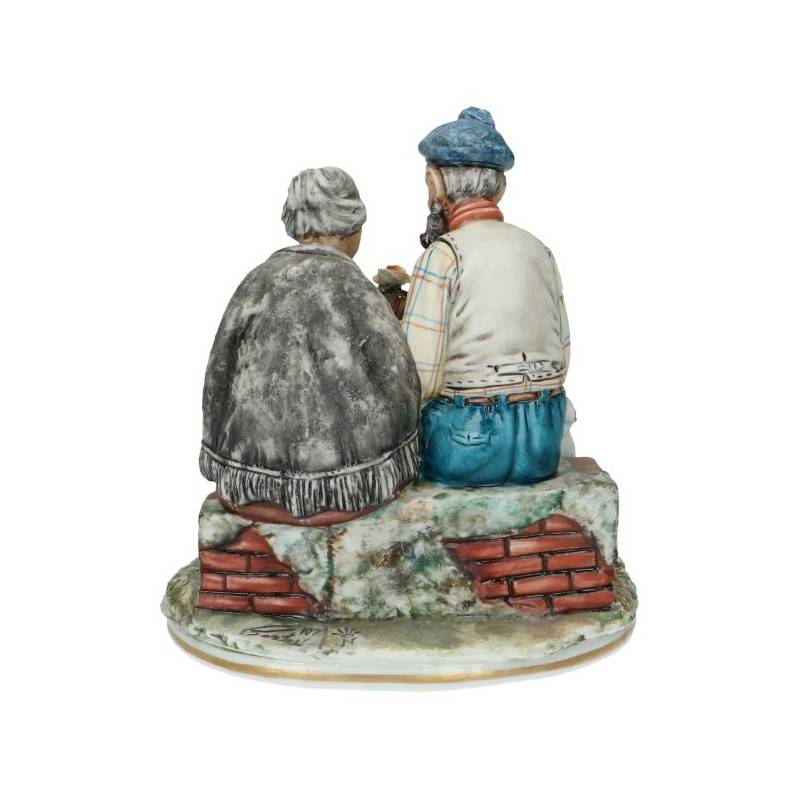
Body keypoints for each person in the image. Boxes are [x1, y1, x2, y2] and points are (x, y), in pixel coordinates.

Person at [200, 167, 421, 522]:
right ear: (351, 226)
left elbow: (218, 377)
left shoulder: (254, 282)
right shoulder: (353, 286)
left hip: (248, 487)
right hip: (345, 491)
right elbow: (401, 383)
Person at [402, 108, 576, 487]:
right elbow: (562, 357)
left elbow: (419, 376)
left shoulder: (444, 255)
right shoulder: (540, 251)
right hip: (541, 443)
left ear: (435, 183)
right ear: (500, 188)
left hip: (465, 444)